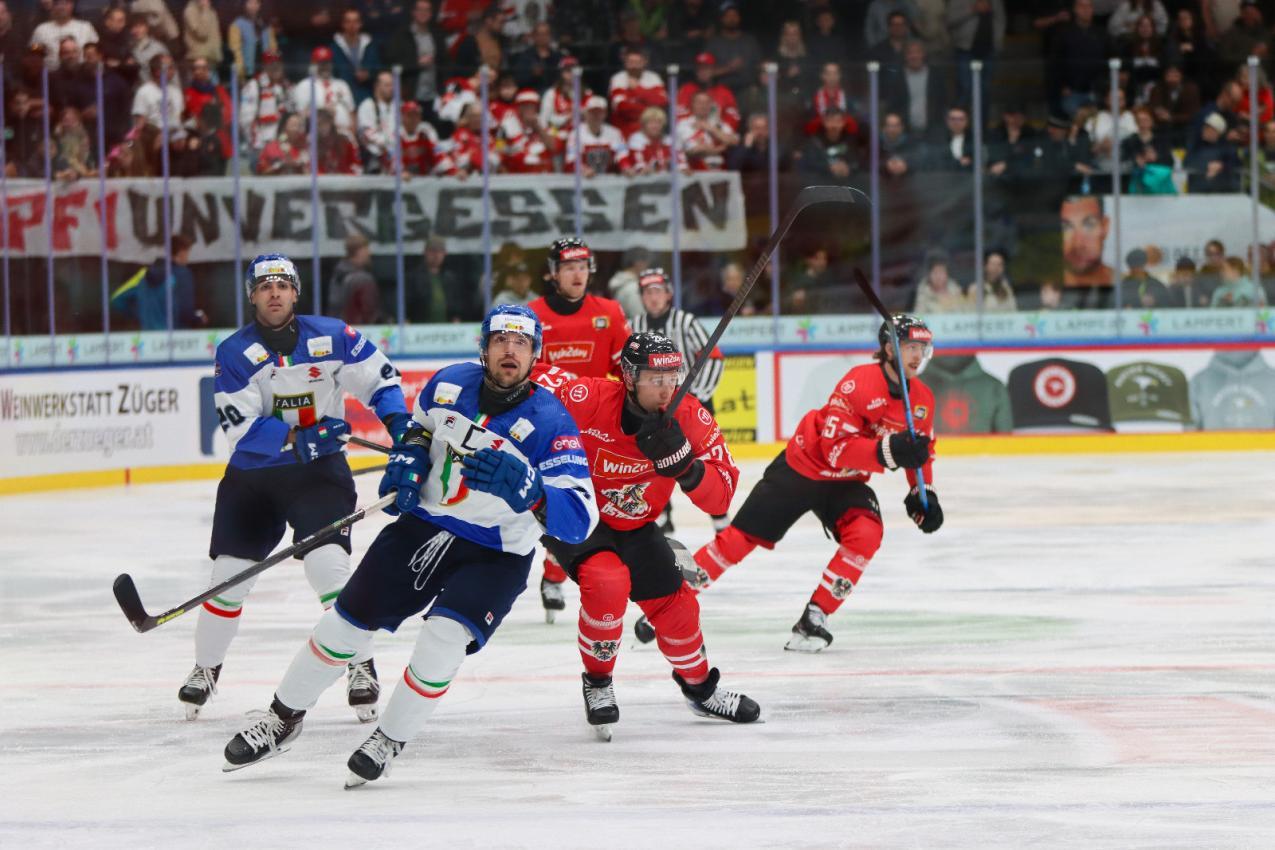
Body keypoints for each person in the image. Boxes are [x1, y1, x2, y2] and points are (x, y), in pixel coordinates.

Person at [221, 305, 598, 786]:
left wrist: (536, 493)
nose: (510, 350)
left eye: (521, 343)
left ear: (535, 355)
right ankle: (282, 718)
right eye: (500, 340)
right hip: (424, 526)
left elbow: (582, 520)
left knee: (443, 639)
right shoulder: (448, 385)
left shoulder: (550, 423)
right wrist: (411, 458)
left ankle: (389, 737)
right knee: (343, 627)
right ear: (483, 349)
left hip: (496, 552)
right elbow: (419, 430)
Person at [181, 253, 411, 723]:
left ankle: (360, 663)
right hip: (255, 480)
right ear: (252, 296)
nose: (274, 293)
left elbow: (379, 378)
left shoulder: (333, 336)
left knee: (330, 571)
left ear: (295, 292)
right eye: (264, 286)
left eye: (282, 285)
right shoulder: (233, 352)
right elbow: (241, 433)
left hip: (319, 476)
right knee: (228, 578)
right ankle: (206, 668)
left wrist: (401, 426)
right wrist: (297, 438)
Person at [537, 332, 760, 736]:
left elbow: (722, 496)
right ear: (627, 376)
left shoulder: (690, 417)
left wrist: (688, 470)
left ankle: (700, 689)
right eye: (654, 378)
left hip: (635, 524)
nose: (666, 388)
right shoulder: (587, 397)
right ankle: (598, 682)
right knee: (607, 581)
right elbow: (522, 377)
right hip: (577, 514)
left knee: (678, 607)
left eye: (672, 376)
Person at [690, 316, 942, 652]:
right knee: (737, 541)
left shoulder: (922, 398)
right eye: (911, 347)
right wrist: (890, 451)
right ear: (888, 348)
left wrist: (923, 491)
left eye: (922, 348)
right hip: (802, 469)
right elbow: (834, 449)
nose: (917, 355)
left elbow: (922, 451)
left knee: (867, 533)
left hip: (846, 482)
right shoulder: (859, 382)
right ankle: (673, 596)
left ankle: (815, 615)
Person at [528, 238, 632, 621]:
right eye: (569, 266)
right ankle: (553, 575)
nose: (577, 273)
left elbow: (627, 371)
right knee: (557, 502)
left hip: (597, 427)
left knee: (596, 507)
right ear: (553, 272)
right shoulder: (532, 316)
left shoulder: (609, 312)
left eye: (583, 265)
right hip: (549, 426)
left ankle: (567, 573)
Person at [628, 267, 727, 535]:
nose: (653, 297)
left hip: (691, 404)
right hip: (652, 406)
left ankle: (720, 518)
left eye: (658, 291)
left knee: (704, 459)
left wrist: (697, 394)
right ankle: (662, 517)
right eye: (648, 292)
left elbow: (713, 357)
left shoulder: (686, 321)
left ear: (669, 294)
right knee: (653, 458)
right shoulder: (635, 326)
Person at [110, 235, 202, 329]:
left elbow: (117, 299)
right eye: (188, 253)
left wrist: (141, 314)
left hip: (149, 337)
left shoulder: (142, 275)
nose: (188, 258)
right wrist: (198, 318)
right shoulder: (182, 274)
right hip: (176, 337)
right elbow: (185, 311)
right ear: (181, 253)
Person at [1060, 194, 1114, 302]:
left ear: (1105, 227)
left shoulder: (1126, 285)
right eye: (1066, 227)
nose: (1078, 243)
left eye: (1089, 225)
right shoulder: (1039, 291)